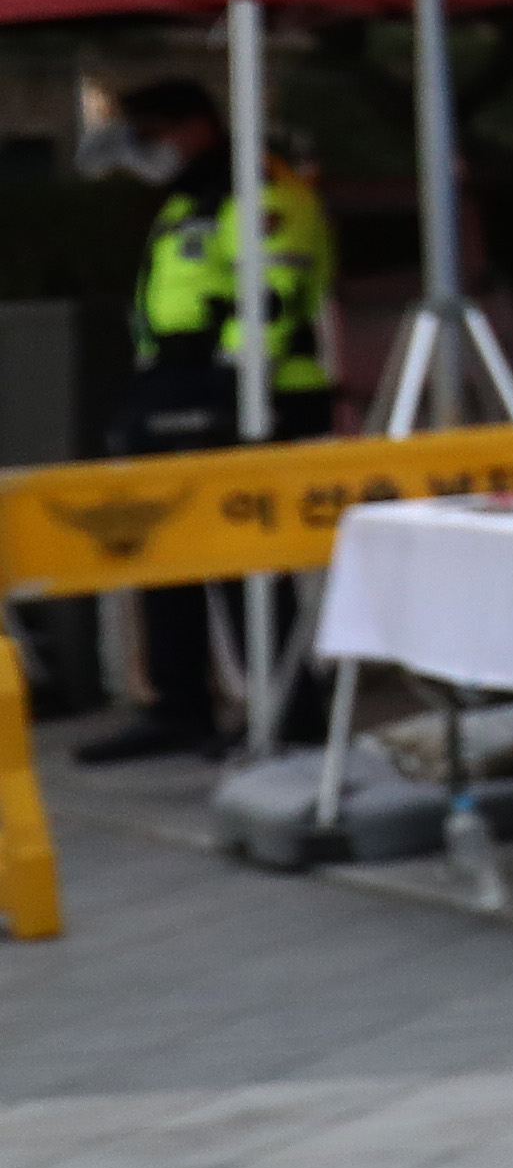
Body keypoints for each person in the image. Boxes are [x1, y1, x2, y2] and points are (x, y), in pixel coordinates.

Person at [81, 74, 334, 763]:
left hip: (244, 389)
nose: (142, 150)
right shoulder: (190, 196)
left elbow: (272, 296)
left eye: (151, 135)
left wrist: (229, 391)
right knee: (165, 550)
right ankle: (179, 705)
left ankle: (289, 709)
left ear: (194, 125)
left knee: (244, 557)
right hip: (171, 385)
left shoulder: (258, 189)